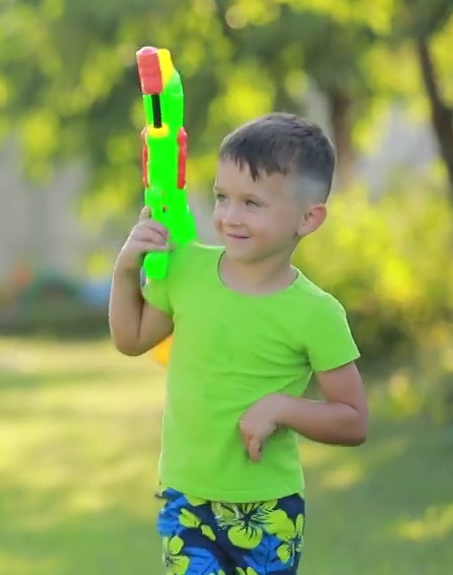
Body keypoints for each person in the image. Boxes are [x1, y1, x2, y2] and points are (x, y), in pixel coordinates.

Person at [108, 112, 368, 574]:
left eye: (252, 203)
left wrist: (282, 408)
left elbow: (352, 421)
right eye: (222, 197)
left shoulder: (316, 312)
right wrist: (126, 271)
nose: (229, 216)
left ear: (309, 218)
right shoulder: (187, 270)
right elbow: (130, 340)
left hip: (267, 508)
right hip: (185, 497)